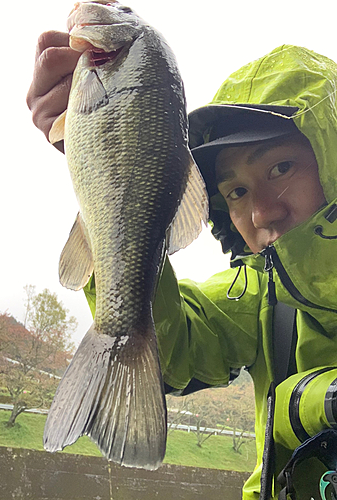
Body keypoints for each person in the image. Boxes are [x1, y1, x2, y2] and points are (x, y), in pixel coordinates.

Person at [27, 34, 337, 500]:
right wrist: (105, 170)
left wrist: (312, 403)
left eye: (281, 168)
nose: (261, 213)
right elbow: (174, 351)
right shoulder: (257, 298)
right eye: (235, 192)